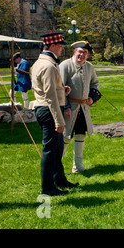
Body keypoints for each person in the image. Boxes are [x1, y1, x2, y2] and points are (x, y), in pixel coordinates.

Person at [31, 32, 79, 196]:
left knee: (57, 149)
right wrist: (59, 121)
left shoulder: (41, 62)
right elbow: (49, 95)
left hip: (45, 108)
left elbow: (46, 88)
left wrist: (62, 90)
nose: (61, 49)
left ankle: (60, 180)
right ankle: (47, 188)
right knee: (50, 151)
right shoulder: (49, 65)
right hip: (50, 110)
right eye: (60, 46)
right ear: (52, 46)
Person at [60, 41, 100, 173]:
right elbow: (59, 87)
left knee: (81, 134)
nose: (82, 55)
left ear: (88, 55)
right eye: (80, 51)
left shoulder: (89, 67)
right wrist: (65, 106)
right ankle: (56, 165)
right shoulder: (65, 65)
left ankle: (77, 166)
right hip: (69, 107)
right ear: (74, 52)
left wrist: (92, 98)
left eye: (85, 53)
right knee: (66, 136)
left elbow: (95, 83)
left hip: (83, 108)